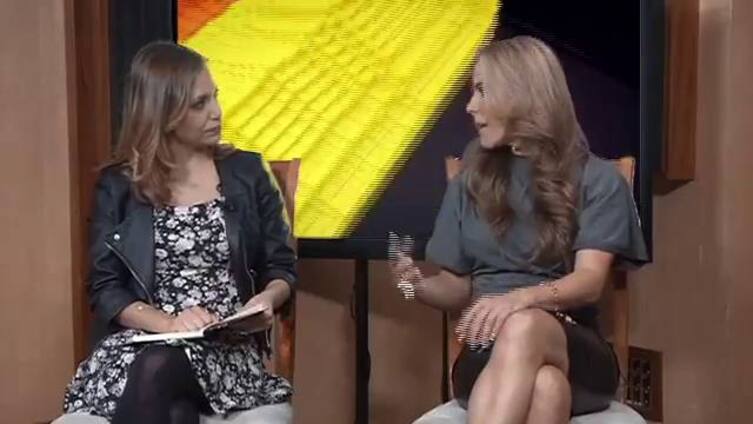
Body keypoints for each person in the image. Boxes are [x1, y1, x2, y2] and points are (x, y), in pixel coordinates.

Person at [390, 36, 647, 424]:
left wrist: (519, 301)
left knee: (524, 326)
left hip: (574, 348)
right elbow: (457, 289)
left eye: (482, 90)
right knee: (546, 388)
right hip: (485, 351)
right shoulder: (470, 183)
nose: (470, 106)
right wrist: (414, 286)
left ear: (521, 94)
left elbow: (590, 282)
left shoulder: (599, 180)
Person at [62, 41, 295, 424]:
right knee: (166, 391)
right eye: (199, 104)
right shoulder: (118, 186)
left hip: (224, 347)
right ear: (164, 113)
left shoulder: (247, 173)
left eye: (214, 97)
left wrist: (267, 299)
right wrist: (169, 324)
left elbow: (281, 266)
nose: (216, 112)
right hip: (142, 343)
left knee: (161, 379)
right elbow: (105, 289)